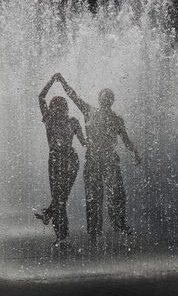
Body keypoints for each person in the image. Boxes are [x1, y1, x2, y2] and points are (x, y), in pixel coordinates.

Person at [55, 73, 141, 244]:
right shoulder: (89, 111)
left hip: (110, 159)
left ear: (112, 101)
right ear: (100, 98)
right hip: (93, 160)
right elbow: (73, 96)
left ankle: (119, 224)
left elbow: (125, 140)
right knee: (93, 196)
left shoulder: (117, 120)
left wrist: (136, 152)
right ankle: (94, 231)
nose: (107, 98)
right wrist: (63, 81)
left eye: (110, 97)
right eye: (105, 96)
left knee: (117, 194)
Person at [35, 74, 87, 246]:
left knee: (61, 196)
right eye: (54, 106)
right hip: (56, 160)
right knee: (59, 198)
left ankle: (51, 218)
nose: (56, 108)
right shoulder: (49, 120)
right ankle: (60, 234)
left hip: (70, 160)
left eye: (60, 106)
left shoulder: (73, 121)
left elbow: (84, 142)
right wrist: (54, 81)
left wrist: (93, 142)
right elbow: (41, 97)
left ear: (65, 108)